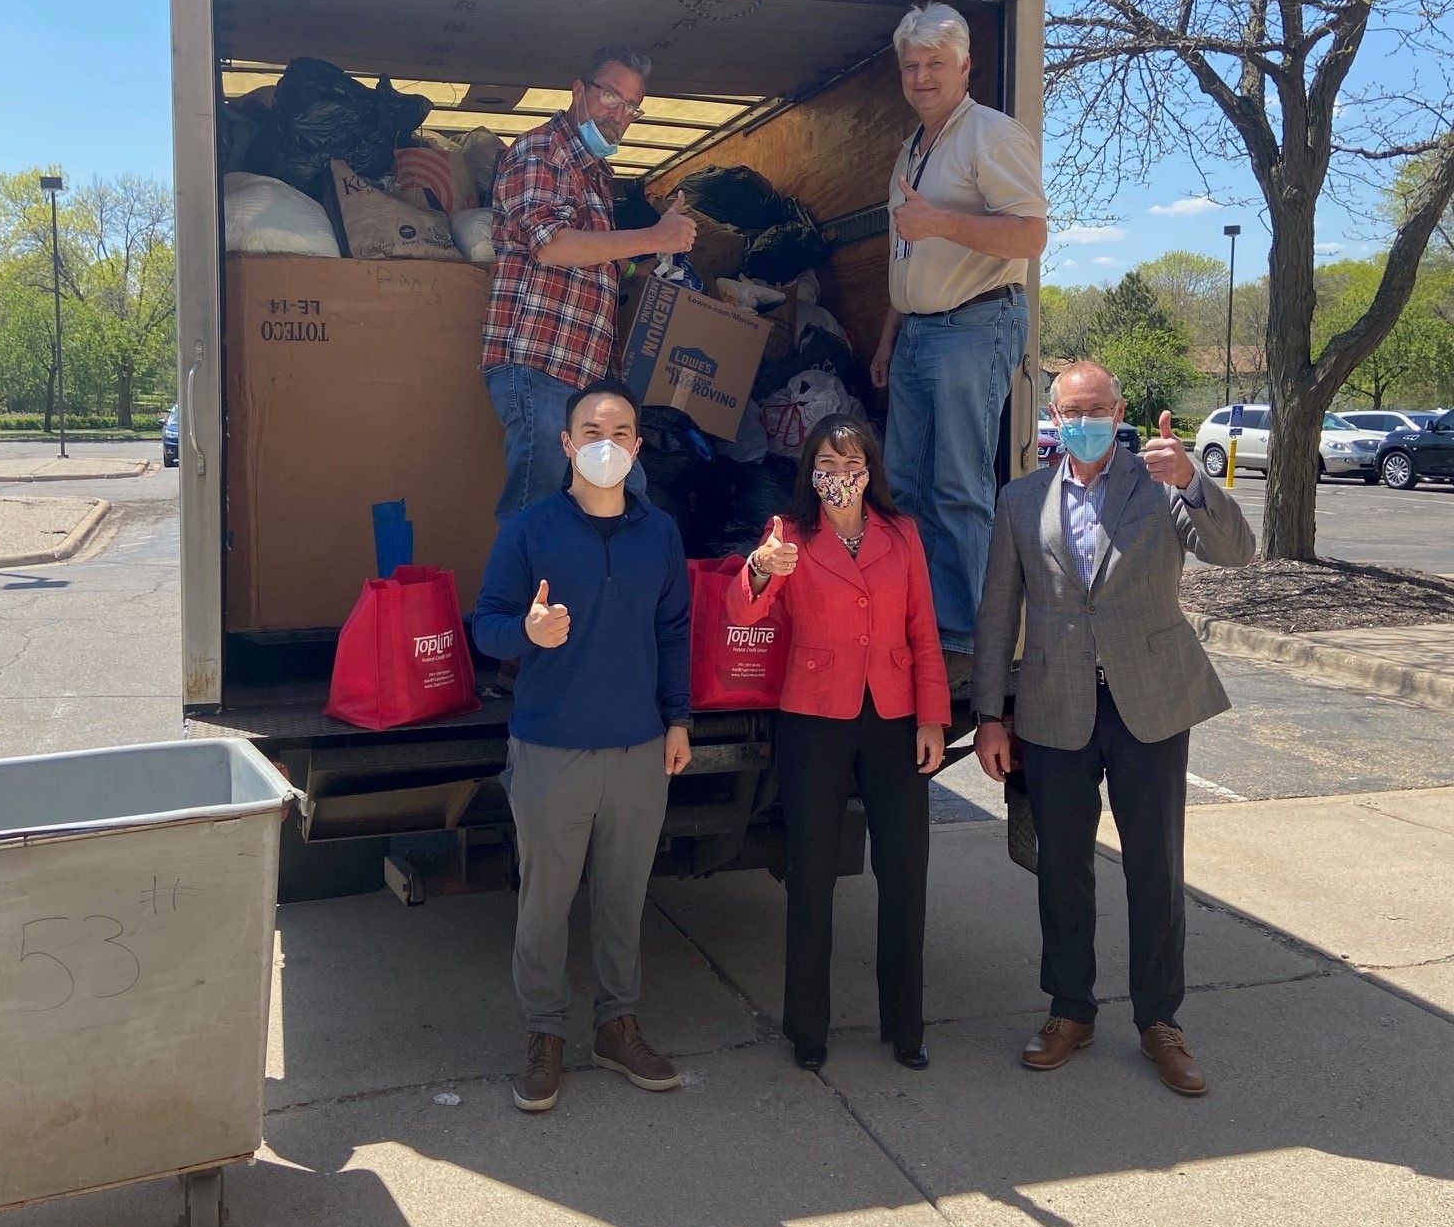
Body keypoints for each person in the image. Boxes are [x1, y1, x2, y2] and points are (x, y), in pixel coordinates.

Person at [970, 363, 1256, 1097]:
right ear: (1054, 418)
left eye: (1098, 408)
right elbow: (1000, 611)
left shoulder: (1160, 482)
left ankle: (1161, 1020)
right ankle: (1070, 1010)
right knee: (1061, 869)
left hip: (1149, 702)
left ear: (1120, 410)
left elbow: (1236, 550)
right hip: (1054, 707)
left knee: (1154, 868)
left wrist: (1193, 477)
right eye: (1073, 410)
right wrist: (990, 715)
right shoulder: (1020, 498)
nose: (1086, 420)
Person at [472, 378, 693, 1114]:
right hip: (550, 748)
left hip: (637, 748)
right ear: (566, 444)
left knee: (624, 900)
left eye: (621, 431)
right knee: (545, 902)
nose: (607, 443)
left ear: (637, 446)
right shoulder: (531, 530)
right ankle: (544, 1034)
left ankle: (616, 1024)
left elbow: (672, 631)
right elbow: (487, 623)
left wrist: (678, 719)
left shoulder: (659, 533)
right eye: (591, 430)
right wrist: (524, 635)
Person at [730, 416, 950, 1073]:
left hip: (893, 712)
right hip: (814, 716)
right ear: (811, 471)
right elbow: (745, 614)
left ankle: (905, 1026)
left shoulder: (901, 535)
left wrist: (933, 718)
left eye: (853, 461)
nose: (840, 473)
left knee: (905, 871)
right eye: (827, 460)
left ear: (870, 470)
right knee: (812, 872)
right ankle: (809, 1030)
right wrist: (759, 571)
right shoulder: (787, 534)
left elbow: (924, 633)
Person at [870, 5, 1048, 689]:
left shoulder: (990, 135)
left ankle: (968, 636)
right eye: (910, 66)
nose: (920, 77)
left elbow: (1029, 238)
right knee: (907, 485)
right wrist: (890, 336)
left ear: (965, 66)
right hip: (918, 333)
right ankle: (919, 621)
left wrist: (939, 220)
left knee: (957, 486)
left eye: (934, 64)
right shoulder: (915, 145)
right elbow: (907, 251)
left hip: (974, 325)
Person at [482, 47, 697, 522]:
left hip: (588, 376)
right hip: (540, 363)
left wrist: (637, 259)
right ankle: (519, 598)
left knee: (627, 500)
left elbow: (590, 258)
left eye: (630, 107)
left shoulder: (597, 174)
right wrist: (654, 236)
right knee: (534, 510)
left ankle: (606, 596)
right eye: (609, 97)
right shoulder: (542, 150)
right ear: (579, 91)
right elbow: (551, 244)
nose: (619, 115)